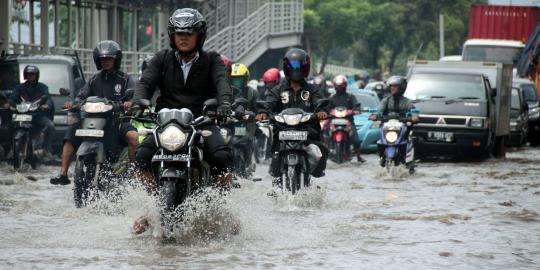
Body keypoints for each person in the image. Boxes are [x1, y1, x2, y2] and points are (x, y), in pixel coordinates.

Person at [131, 8, 234, 234]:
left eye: (189, 33)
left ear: (200, 36)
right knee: (141, 156)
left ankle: (222, 208)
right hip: (168, 124)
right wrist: (139, 101)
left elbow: (222, 83)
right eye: (179, 33)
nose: (184, 37)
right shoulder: (161, 58)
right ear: (172, 36)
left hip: (201, 121)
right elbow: (145, 82)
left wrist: (224, 104)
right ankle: (152, 206)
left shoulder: (212, 60)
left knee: (222, 155)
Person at [50, 40, 138, 185]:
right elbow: (81, 96)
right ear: (98, 60)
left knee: (134, 138)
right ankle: (63, 173)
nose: (106, 62)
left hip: (117, 120)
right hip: (92, 120)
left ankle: (135, 175)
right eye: (103, 59)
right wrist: (73, 103)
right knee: (71, 133)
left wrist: (129, 102)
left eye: (109, 58)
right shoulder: (94, 80)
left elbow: (133, 96)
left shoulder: (125, 79)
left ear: (116, 59)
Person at [255, 48, 329, 178]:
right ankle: (278, 179)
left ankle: (314, 171)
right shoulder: (277, 90)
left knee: (322, 150)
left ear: (305, 68)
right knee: (275, 164)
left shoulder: (312, 90)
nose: (296, 70)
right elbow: (268, 103)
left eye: (299, 67)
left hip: (307, 130)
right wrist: (263, 112)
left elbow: (319, 102)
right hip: (283, 130)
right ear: (287, 68)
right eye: (293, 67)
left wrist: (321, 111)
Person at [5, 65, 55, 158]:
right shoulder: (19, 87)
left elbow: (48, 98)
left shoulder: (43, 87)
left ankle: (46, 150)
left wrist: (46, 105)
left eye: (33, 74)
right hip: (21, 114)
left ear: (37, 76)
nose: (31, 76)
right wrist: (8, 103)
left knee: (50, 125)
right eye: (28, 74)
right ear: (25, 75)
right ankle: (11, 148)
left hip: (37, 115)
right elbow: (13, 98)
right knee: (10, 126)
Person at [328, 75, 365, 163]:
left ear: (345, 86)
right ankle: (326, 151)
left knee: (356, 140)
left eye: (341, 86)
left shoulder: (350, 96)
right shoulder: (332, 97)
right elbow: (327, 107)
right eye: (338, 86)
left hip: (348, 122)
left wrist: (356, 110)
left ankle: (359, 156)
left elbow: (356, 106)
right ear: (335, 86)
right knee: (323, 134)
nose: (340, 88)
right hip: (334, 122)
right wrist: (325, 112)